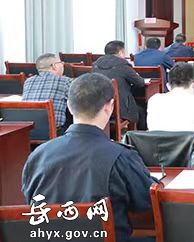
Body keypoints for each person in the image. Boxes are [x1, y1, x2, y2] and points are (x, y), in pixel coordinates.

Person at [22, 73, 155, 242]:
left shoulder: (37, 155)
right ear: (109, 106)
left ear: (69, 106)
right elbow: (146, 203)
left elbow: (31, 200)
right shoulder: (121, 157)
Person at [92, 40, 146, 128]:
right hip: (120, 108)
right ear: (120, 52)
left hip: (99, 106)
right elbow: (140, 83)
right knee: (141, 110)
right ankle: (137, 135)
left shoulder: (95, 65)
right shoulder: (123, 65)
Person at [22, 53, 71, 134]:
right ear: (54, 66)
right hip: (55, 132)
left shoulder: (28, 81)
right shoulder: (65, 81)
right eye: (61, 63)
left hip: (28, 131)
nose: (63, 65)